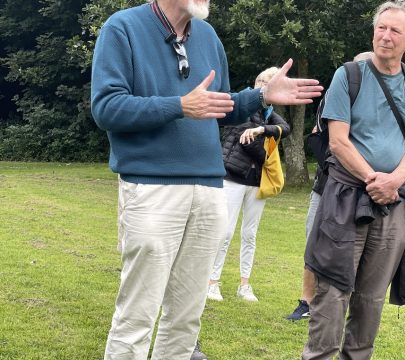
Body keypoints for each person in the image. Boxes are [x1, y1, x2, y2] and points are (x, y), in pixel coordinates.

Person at [90, 0, 323, 358]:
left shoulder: (209, 37)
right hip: (152, 189)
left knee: (186, 320)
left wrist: (260, 97)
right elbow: (106, 107)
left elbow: (220, 106)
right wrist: (179, 106)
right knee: (137, 317)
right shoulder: (122, 28)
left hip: (210, 189)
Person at [302, 1, 405, 359]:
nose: (385, 37)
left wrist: (393, 182)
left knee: (371, 298)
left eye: (394, 31)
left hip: (393, 204)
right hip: (345, 196)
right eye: (380, 28)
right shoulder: (349, 74)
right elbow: (337, 140)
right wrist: (374, 179)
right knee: (331, 290)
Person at [286, 51, 373, 321]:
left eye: (362, 69)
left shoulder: (382, 105)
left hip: (366, 188)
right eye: (354, 69)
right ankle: (306, 302)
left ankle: (350, 307)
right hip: (328, 182)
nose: (356, 74)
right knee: (315, 239)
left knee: (361, 247)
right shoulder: (336, 95)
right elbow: (324, 138)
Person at [206, 67, 290, 303]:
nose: (263, 87)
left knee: (250, 234)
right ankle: (212, 282)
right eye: (261, 82)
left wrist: (262, 129)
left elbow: (286, 129)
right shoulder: (241, 107)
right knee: (226, 231)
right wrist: (264, 143)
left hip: (256, 182)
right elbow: (247, 144)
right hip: (233, 176)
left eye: (269, 84)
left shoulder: (268, 114)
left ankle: (244, 284)